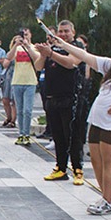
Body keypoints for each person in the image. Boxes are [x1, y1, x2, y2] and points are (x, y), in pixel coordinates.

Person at [53, 37, 111, 214]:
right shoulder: (109, 67)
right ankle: (105, 195)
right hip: (97, 120)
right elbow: (85, 55)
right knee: (96, 160)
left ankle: (108, 199)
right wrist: (63, 45)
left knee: (108, 161)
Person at [35, 20, 86, 185]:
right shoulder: (53, 47)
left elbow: (70, 63)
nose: (63, 34)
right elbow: (38, 66)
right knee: (58, 136)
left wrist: (50, 53)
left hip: (71, 98)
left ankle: (78, 169)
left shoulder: (77, 47)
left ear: (73, 32)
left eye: (66, 31)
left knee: (73, 135)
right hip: (52, 97)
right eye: (60, 31)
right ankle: (61, 167)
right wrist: (43, 53)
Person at [7, 28, 39, 144]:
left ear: (30, 35)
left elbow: (37, 59)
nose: (25, 37)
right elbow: (9, 57)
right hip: (17, 81)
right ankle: (21, 133)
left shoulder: (34, 48)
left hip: (30, 82)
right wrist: (16, 44)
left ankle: (27, 134)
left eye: (26, 34)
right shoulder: (17, 48)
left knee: (27, 110)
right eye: (23, 35)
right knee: (19, 110)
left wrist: (28, 46)